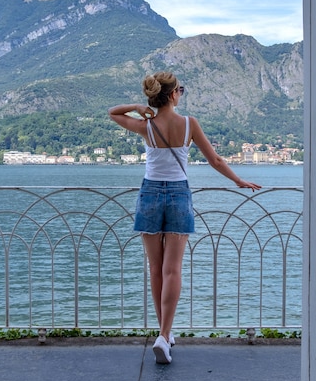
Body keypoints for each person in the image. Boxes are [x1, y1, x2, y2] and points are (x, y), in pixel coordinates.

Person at [108, 71, 261, 364]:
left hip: (150, 195)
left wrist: (138, 108)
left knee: (155, 268)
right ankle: (165, 335)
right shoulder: (189, 124)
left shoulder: (147, 126)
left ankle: (162, 333)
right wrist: (238, 180)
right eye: (181, 89)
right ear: (174, 94)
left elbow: (112, 113)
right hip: (178, 195)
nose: (182, 92)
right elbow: (215, 160)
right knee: (172, 269)